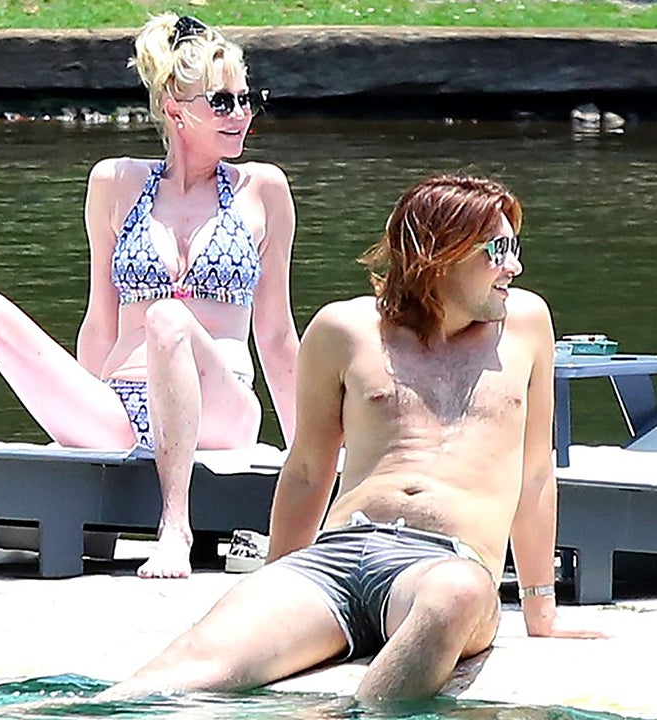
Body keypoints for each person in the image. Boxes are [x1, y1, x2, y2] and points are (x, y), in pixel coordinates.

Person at [100, 174, 603, 703]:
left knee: (455, 595)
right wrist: (275, 582)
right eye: (497, 250)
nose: (513, 266)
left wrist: (541, 610)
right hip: (336, 556)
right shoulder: (343, 329)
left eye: (514, 248)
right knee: (175, 673)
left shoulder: (526, 324)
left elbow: (535, 473)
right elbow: (307, 470)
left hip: (446, 564)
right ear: (440, 255)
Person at [0, 13, 298, 580]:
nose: (241, 114)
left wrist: (309, 453)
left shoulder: (263, 189)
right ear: (175, 109)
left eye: (246, 99)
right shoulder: (114, 182)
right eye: (223, 102)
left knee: (168, 318)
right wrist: (80, 407)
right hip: (120, 407)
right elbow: (100, 321)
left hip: (219, 410)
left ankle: (174, 527)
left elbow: (275, 336)